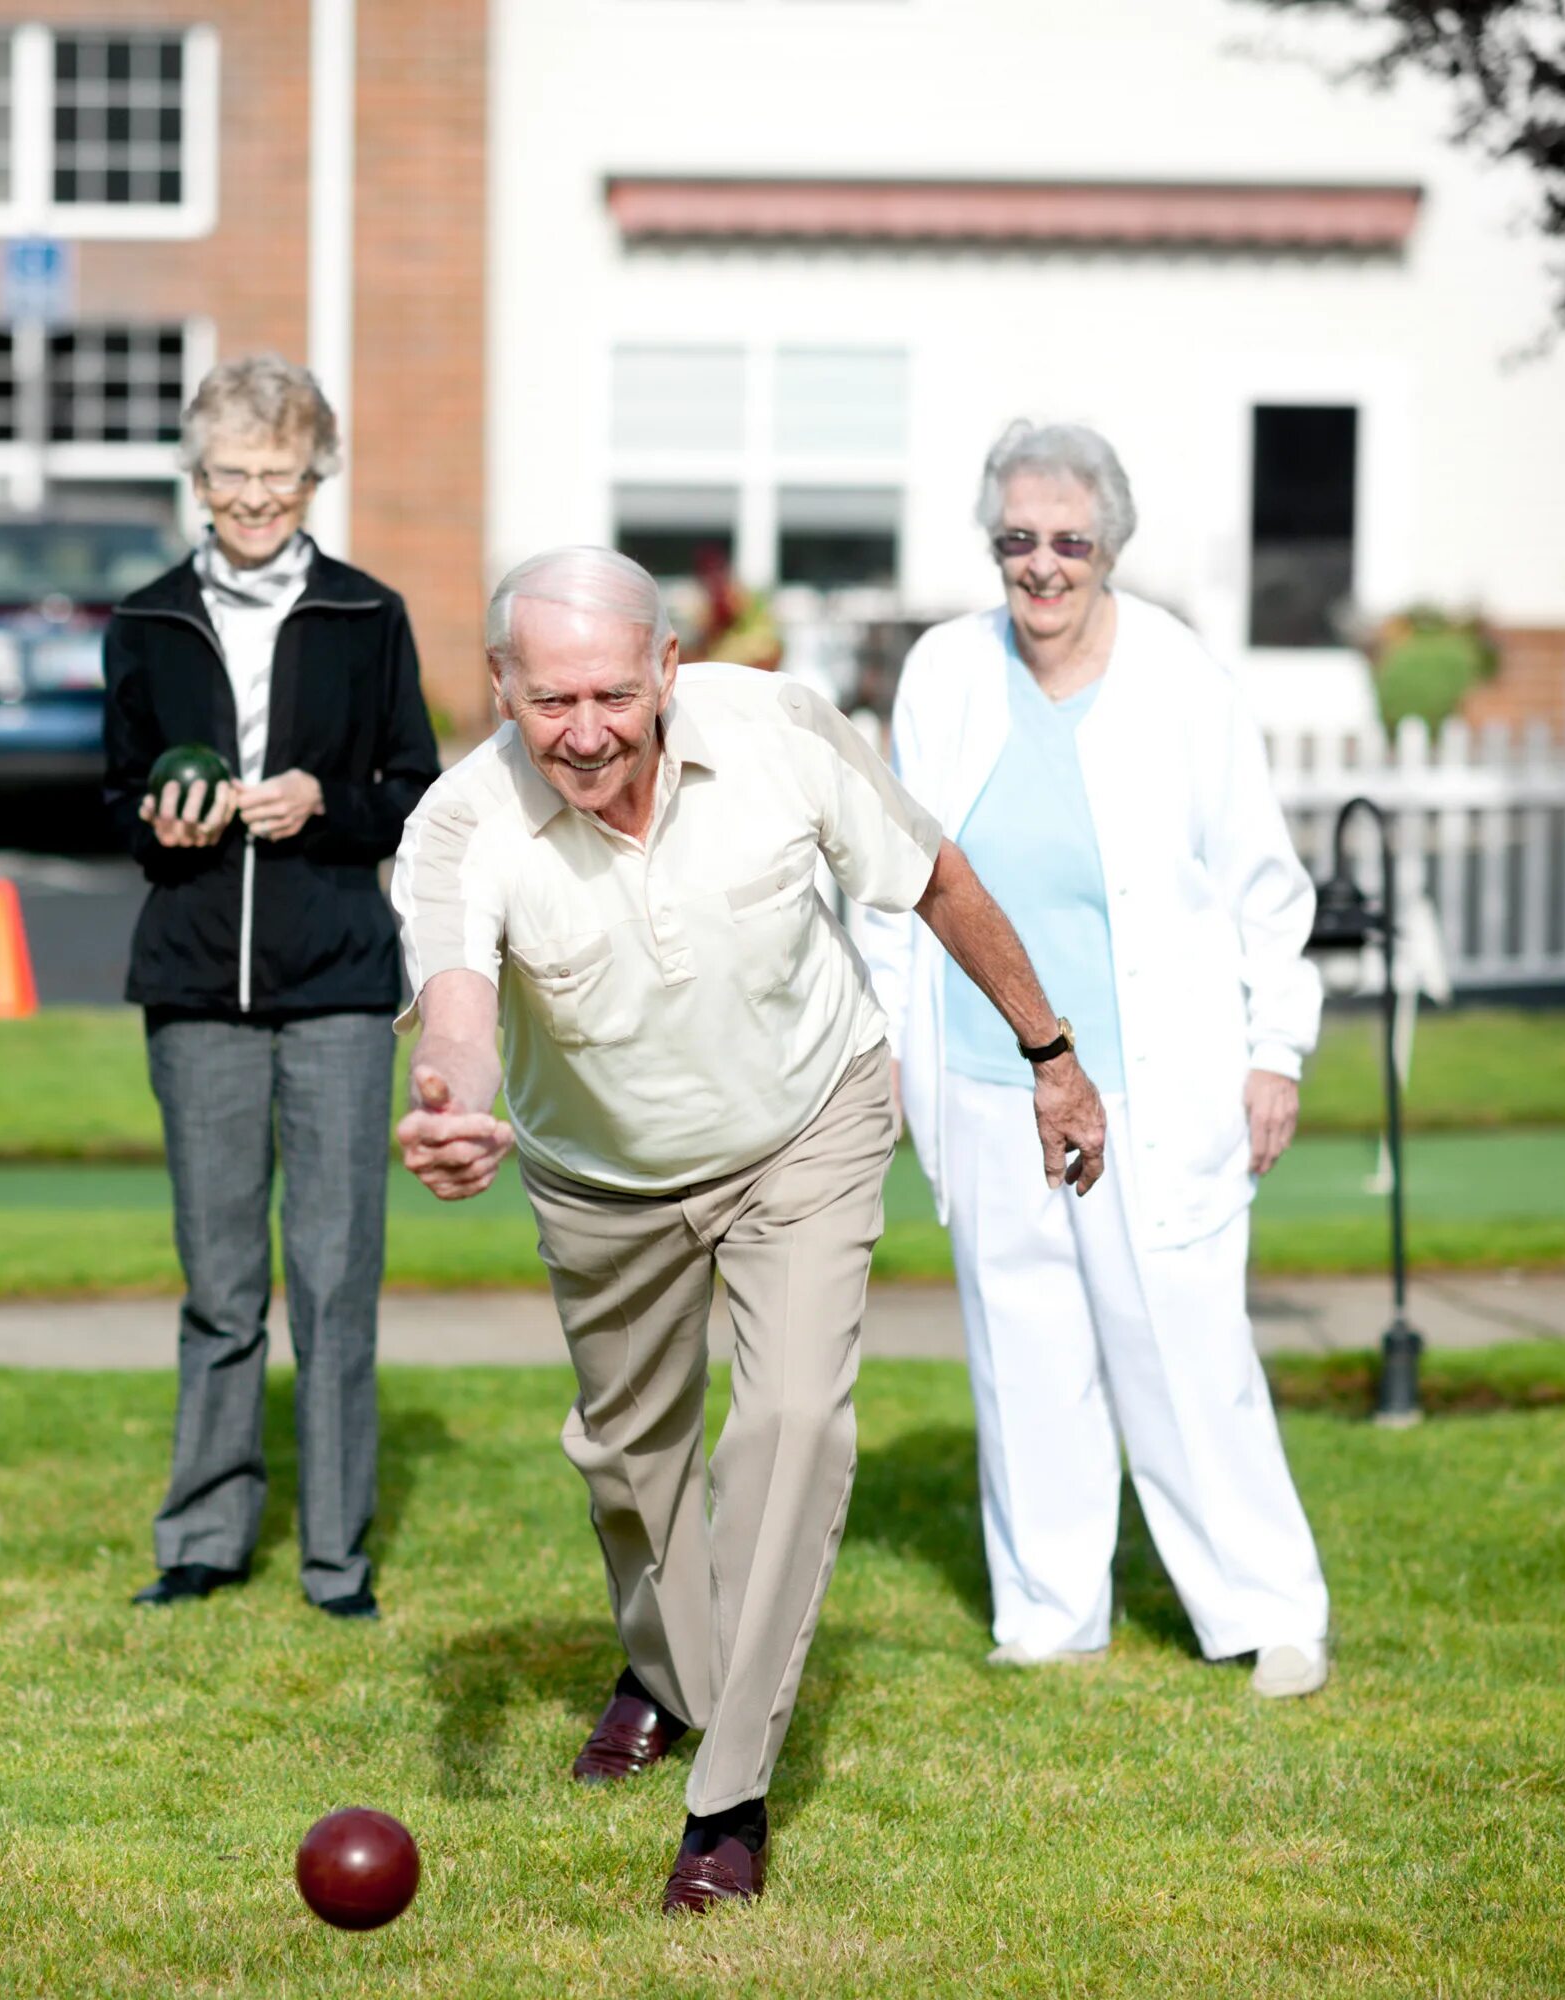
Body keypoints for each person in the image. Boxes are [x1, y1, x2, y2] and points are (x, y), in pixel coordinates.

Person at [390, 546, 1106, 1913]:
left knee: (789, 1427)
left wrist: (1051, 1052)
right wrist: (452, 1104)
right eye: (550, 703)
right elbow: (460, 1005)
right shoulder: (459, 821)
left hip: (808, 1127)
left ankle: (728, 1798)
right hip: (604, 1175)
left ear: (667, 669)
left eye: (612, 691)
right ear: (500, 689)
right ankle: (661, 1671)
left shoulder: (779, 731)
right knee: (631, 1462)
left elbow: (938, 876)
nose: (586, 731)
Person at [854, 420, 1332, 1699]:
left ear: (1110, 543)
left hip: (1155, 1080)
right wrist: (892, 1037)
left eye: (1069, 541)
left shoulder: (1180, 676)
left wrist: (1275, 1047)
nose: (1043, 566)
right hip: (977, 1068)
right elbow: (895, 874)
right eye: (1018, 540)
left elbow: (1262, 882)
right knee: (1024, 1350)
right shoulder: (947, 671)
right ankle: (1052, 1611)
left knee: (1183, 1347)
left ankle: (1268, 1608)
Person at [100, 355, 440, 1620]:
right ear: (199, 477)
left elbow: (416, 785)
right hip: (193, 981)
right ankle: (202, 1536)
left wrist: (324, 802)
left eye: (279, 473)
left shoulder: (368, 613)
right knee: (220, 1278)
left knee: (338, 1275)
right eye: (232, 472)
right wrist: (165, 821)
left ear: (316, 477)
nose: (254, 495)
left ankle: (336, 1558)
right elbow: (116, 794)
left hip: (341, 982)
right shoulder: (143, 619)